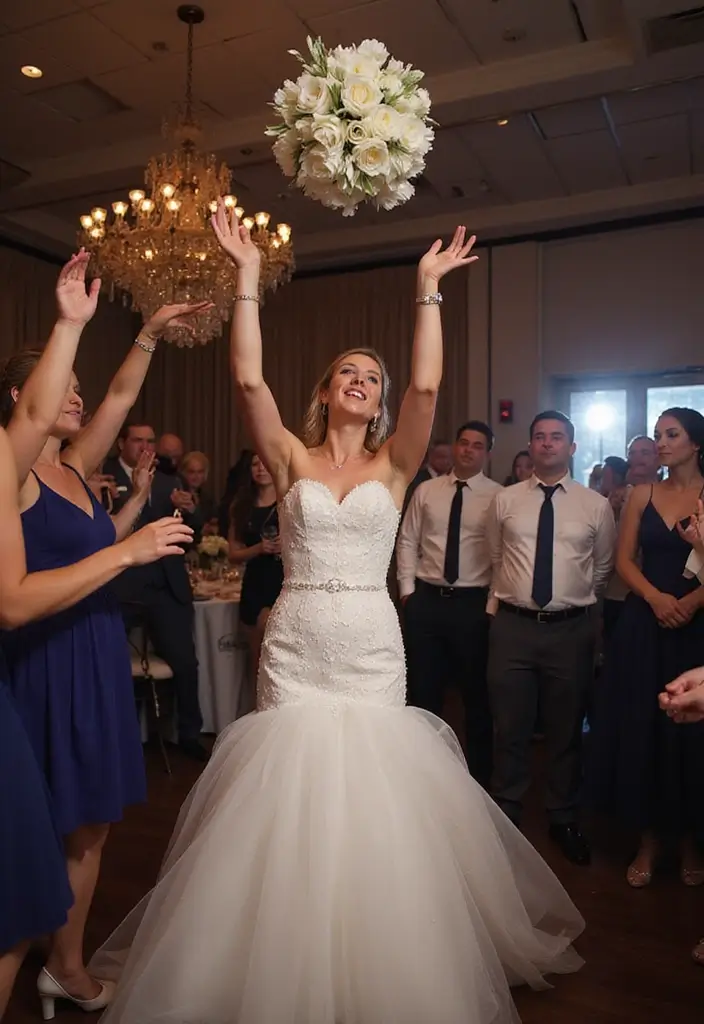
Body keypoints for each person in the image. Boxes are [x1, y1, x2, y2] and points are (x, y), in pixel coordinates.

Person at [88, 205, 584, 1024]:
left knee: (372, 802)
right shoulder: (289, 457)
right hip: (296, 642)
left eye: (372, 378)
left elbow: (427, 385)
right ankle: (276, 961)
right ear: (325, 389)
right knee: (286, 800)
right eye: (348, 372)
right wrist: (248, 278)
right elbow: (248, 381)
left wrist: (427, 290)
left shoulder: (395, 465)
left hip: (369, 645)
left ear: (380, 402)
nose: (362, 381)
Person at [0, 251, 206, 1015]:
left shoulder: (75, 465)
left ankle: (66, 962)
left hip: (94, 649)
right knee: (39, 827)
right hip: (40, 660)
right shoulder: (14, 470)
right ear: (25, 397)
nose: (80, 398)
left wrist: (149, 330)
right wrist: (128, 548)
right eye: (66, 388)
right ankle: (40, 952)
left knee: (91, 826)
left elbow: (121, 394)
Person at [487, 411, 616, 864]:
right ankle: (506, 810)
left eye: (556, 437)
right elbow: (497, 556)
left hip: (570, 629)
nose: (547, 443)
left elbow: (601, 568)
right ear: (529, 445)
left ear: (572, 448)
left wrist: (570, 601)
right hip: (513, 626)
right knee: (510, 725)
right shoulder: (504, 500)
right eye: (539, 436)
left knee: (565, 728)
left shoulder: (595, 505)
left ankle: (562, 815)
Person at [590, 408, 704, 888]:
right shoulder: (642, 493)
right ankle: (649, 839)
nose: (661, 442)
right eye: (657, 435)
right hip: (646, 621)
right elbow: (623, 560)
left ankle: (693, 840)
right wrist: (656, 598)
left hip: (697, 625)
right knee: (644, 725)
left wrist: (692, 603)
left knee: (692, 733)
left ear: (695, 443)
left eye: (672, 434)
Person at [397, 420, 501, 786]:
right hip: (427, 601)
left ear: (487, 453)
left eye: (477, 445)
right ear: (455, 447)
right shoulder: (427, 491)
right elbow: (408, 540)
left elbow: (502, 555)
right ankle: (422, 774)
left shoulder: (498, 497)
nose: (468, 450)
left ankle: (479, 780)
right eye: (463, 443)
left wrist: (491, 606)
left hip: (473, 605)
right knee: (424, 691)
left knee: (476, 696)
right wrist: (407, 591)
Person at [104, 424, 207, 761]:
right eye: (138, 440)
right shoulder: (102, 477)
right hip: (122, 585)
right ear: (122, 443)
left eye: (150, 441)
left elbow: (191, 535)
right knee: (106, 661)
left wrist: (189, 510)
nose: (146, 446)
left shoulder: (168, 481)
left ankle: (189, 734)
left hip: (165, 585)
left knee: (186, 663)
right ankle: (117, 736)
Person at [228, 453, 284, 687]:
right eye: (254, 464)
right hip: (254, 583)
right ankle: (257, 706)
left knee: (277, 659)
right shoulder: (241, 506)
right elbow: (233, 554)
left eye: (264, 463)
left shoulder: (287, 501)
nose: (260, 468)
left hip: (281, 582)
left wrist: (286, 545)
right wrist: (258, 548)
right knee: (256, 660)